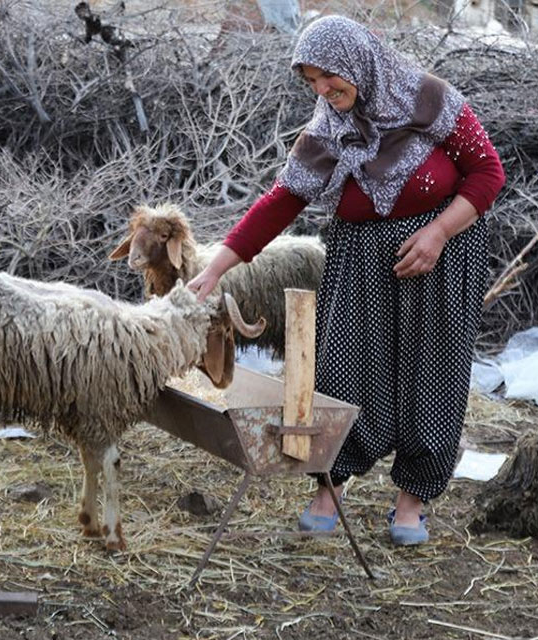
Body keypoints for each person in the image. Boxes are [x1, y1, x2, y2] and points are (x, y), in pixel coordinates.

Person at [187, 15, 505, 546]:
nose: (322, 91)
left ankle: (412, 500)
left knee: (434, 371)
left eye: (329, 78)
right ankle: (330, 485)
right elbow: (282, 200)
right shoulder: (327, 129)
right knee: (342, 366)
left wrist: (437, 234)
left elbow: (487, 173)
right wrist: (219, 266)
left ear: (357, 64)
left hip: (442, 252)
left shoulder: (428, 98)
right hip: (359, 255)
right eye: (311, 82)